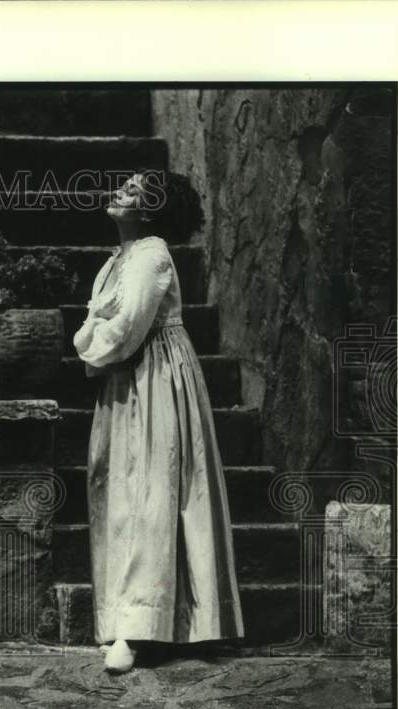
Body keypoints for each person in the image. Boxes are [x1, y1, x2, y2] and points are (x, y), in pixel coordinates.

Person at [73, 171, 244, 674]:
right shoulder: (117, 261)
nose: (117, 192)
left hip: (156, 377)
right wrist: (96, 341)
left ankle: (141, 628)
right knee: (124, 494)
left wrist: (89, 346)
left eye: (130, 190)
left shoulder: (151, 254)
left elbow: (125, 328)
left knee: (154, 494)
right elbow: (100, 320)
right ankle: (129, 618)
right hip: (128, 380)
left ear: (150, 210)